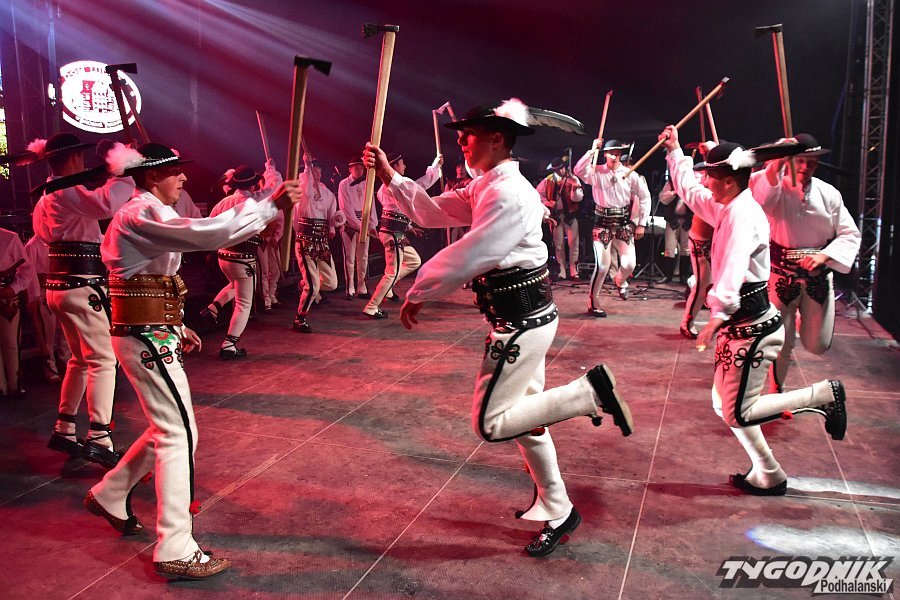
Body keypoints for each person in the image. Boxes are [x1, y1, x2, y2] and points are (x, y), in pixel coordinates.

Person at [364, 98, 633, 557]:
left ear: (496, 138)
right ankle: (558, 507)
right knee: (528, 424)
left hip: (521, 325)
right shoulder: (488, 186)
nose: (461, 142)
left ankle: (588, 394)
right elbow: (431, 211)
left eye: (467, 135)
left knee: (491, 423)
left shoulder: (508, 193)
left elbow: (476, 251)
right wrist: (391, 176)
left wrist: (420, 290)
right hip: (524, 318)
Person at [85, 142, 301, 579]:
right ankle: (175, 545)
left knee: (169, 428)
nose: (183, 178)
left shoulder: (150, 212)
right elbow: (206, 233)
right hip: (144, 336)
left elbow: (155, 277)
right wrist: (269, 207)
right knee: (178, 433)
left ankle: (112, 492)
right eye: (175, 171)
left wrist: (176, 322)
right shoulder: (139, 213)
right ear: (151, 177)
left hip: (151, 330)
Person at [660, 124, 847, 496]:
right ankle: (769, 473)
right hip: (742, 325)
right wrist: (675, 151)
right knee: (723, 405)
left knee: (738, 411)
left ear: (728, 180)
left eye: (711, 176)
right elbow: (691, 191)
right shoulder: (728, 205)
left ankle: (823, 395)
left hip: (753, 325)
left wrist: (717, 313)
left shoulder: (742, 215)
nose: (706, 181)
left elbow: (732, 267)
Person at [30, 132, 135, 468]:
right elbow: (105, 205)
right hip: (81, 285)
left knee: (79, 359)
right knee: (104, 359)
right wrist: (125, 171)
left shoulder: (47, 196)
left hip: (61, 286)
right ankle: (100, 438)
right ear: (75, 157)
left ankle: (65, 428)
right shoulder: (65, 191)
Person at [749, 134, 861, 392]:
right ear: (790, 160)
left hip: (816, 278)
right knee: (780, 341)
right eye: (800, 160)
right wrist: (776, 161)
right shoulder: (775, 188)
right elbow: (761, 200)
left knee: (818, 344)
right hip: (780, 277)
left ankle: (803, 320)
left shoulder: (828, 193)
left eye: (811, 161)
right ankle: (776, 390)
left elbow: (850, 234)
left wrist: (824, 256)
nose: (805, 167)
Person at [202, 161, 282, 358]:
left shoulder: (223, 202)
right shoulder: (253, 201)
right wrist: (270, 168)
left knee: (234, 284)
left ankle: (213, 307)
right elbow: (275, 188)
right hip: (242, 258)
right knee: (244, 303)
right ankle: (229, 345)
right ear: (253, 184)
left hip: (223, 256)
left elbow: (209, 224)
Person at [574, 139, 650, 316]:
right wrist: (592, 150)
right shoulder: (596, 172)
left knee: (629, 264)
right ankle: (593, 301)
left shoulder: (629, 173)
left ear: (620, 154)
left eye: (617, 153)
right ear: (605, 154)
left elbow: (645, 197)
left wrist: (642, 223)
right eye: (610, 153)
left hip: (623, 224)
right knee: (602, 266)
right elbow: (578, 170)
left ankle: (620, 281)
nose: (614, 157)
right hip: (602, 225)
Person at [361, 153, 441, 319]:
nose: (405, 166)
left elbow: (396, 211)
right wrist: (436, 165)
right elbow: (421, 185)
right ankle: (372, 306)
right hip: (393, 234)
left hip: (394, 232)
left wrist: (409, 227)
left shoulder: (385, 189)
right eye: (402, 163)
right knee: (391, 272)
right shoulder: (393, 186)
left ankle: (388, 287)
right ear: (394, 166)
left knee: (413, 260)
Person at [292, 155, 341, 333]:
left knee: (332, 283)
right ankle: (299, 318)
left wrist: (336, 221)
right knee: (313, 286)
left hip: (322, 242)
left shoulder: (327, 193)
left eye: (319, 172)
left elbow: (332, 214)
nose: (318, 175)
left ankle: (304, 284)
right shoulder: (301, 190)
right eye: (314, 172)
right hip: (305, 241)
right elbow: (305, 192)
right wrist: (307, 166)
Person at [24, 234, 71, 383]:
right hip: (44, 293)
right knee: (47, 333)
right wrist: (33, 297)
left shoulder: (60, 241)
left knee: (64, 331)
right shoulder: (33, 245)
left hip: (61, 290)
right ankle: (50, 366)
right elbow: (30, 273)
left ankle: (66, 363)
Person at [0, 228, 34, 396]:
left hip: (6, 298)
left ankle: (15, 384)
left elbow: (27, 269)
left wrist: (13, 288)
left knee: (11, 342)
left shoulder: (9, 238)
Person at [537, 157, 583, 280]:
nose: (560, 171)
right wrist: (547, 203)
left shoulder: (573, 179)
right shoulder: (548, 180)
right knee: (558, 245)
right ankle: (561, 271)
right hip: (556, 216)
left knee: (573, 244)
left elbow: (578, 198)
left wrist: (574, 190)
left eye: (561, 168)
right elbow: (538, 194)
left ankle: (574, 271)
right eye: (557, 169)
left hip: (570, 216)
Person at [337, 155, 377, 299]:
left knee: (363, 257)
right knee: (349, 258)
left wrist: (372, 225)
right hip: (350, 225)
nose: (360, 171)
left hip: (364, 224)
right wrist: (358, 225)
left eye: (361, 168)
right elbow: (345, 207)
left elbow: (371, 205)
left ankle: (362, 287)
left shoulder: (367, 183)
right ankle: (350, 288)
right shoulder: (343, 184)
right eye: (356, 168)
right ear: (350, 169)